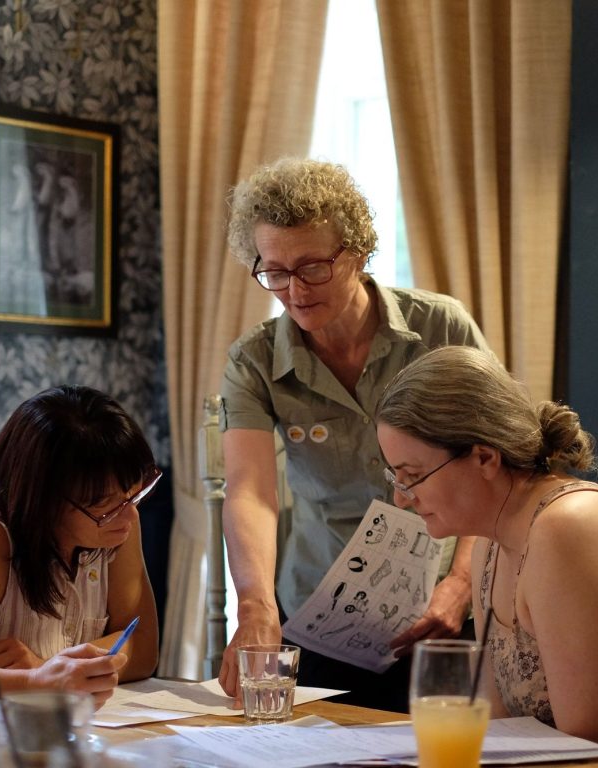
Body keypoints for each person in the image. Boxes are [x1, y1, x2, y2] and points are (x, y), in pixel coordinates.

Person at [217, 157, 491, 711]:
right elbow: (250, 492)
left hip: (441, 614)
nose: (294, 290)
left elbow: (499, 463)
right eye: (274, 271)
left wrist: (462, 583)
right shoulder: (254, 360)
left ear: (359, 253)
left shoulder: (440, 328)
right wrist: (255, 607)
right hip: (320, 618)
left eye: (314, 267)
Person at [375, 345, 598, 751]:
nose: (402, 499)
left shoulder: (571, 530)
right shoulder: (488, 548)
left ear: (484, 458)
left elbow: (595, 751)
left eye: (414, 476)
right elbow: (501, 734)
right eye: (396, 478)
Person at [0, 385, 161, 712]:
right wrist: (35, 682)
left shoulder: (114, 525)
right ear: (43, 500)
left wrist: (48, 666)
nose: (130, 515)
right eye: (104, 505)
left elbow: (143, 648)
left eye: (133, 494)